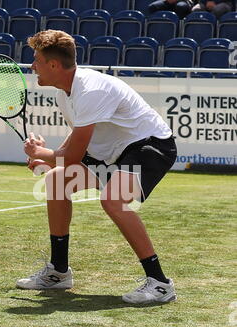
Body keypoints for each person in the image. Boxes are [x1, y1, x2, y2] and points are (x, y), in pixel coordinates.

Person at [16, 30, 178, 305]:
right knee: (56, 182)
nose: (33, 66)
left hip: (150, 146)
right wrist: (48, 160)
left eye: (37, 60)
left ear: (54, 65)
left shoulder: (90, 90)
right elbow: (73, 148)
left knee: (113, 200)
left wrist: (44, 153)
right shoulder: (65, 94)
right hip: (112, 151)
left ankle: (160, 284)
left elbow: (74, 153)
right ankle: (58, 272)